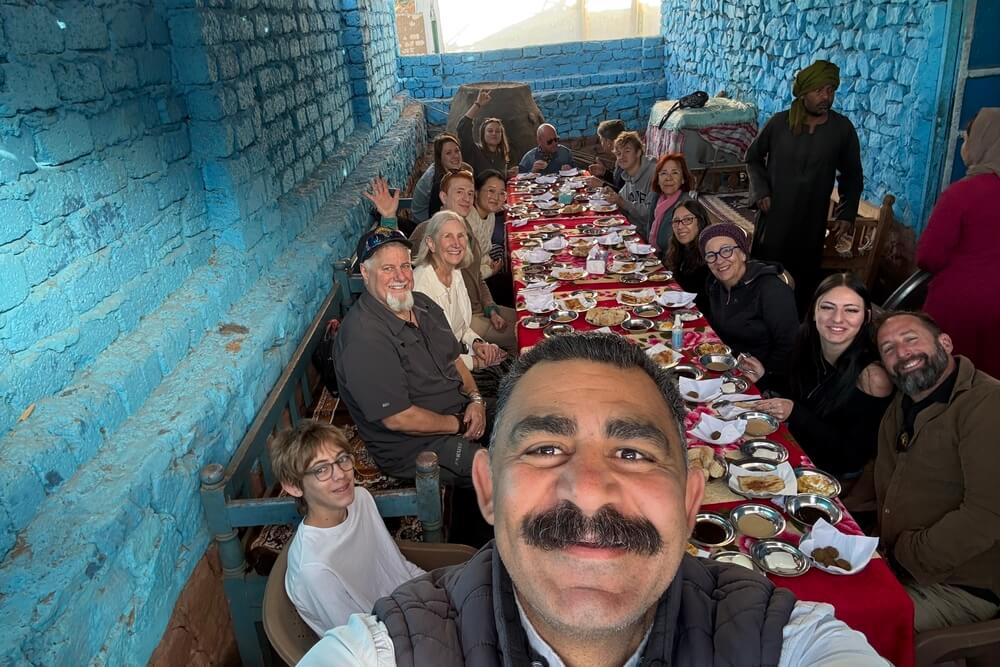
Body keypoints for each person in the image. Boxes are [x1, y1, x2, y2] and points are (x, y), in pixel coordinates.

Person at [300, 333, 889, 666]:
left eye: (632, 453)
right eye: (544, 448)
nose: (585, 488)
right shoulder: (390, 651)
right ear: (487, 489)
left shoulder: (781, 640)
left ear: (691, 502)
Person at [873, 311, 1000, 632]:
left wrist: (902, 555)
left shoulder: (988, 404)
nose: (903, 353)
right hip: (895, 563)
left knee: (840, 628)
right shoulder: (905, 401)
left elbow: (986, 516)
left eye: (911, 339)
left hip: (959, 587)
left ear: (945, 342)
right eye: (888, 349)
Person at [332, 226, 487, 484]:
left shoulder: (422, 303)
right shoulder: (363, 338)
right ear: (365, 273)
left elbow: (454, 360)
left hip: (460, 410)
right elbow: (399, 418)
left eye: (405, 266)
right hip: (417, 446)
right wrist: (459, 423)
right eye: (387, 268)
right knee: (503, 473)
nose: (400, 276)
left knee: (526, 419)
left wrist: (476, 400)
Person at [269, 420, 425, 635]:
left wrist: (435, 591)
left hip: (414, 607)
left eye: (342, 459)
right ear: (293, 486)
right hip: (390, 640)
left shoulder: (360, 499)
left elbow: (397, 566)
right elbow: (362, 639)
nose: (340, 474)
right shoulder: (315, 569)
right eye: (321, 469)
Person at [745, 59, 863, 312]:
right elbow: (752, 158)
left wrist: (846, 213)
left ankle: (797, 327)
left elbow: (852, 175)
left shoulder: (841, 129)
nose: (826, 97)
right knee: (766, 275)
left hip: (811, 222)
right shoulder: (779, 124)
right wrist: (761, 191)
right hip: (775, 218)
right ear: (803, 93)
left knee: (803, 284)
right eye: (819, 91)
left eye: (830, 90)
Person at [751, 273, 894, 478]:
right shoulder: (809, 342)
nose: (837, 318)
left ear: (866, 317)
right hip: (793, 448)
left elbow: (853, 457)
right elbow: (797, 392)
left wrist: (795, 413)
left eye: (851, 310)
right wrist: (763, 377)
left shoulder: (873, 377)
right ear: (813, 312)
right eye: (827, 307)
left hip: (825, 475)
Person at [917, 108, 1000, 379]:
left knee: (942, 379)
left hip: (959, 308)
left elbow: (929, 256)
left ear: (982, 142)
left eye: (967, 138)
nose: (964, 144)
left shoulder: (961, 194)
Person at [410, 169, 517, 354]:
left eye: (469, 193)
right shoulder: (427, 230)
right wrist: (388, 217)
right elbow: (398, 261)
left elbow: (477, 277)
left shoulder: (465, 228)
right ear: (444, 197)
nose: (466, 199)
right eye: (459, 192)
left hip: (474, 310)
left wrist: (490, 308)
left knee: (527, 321)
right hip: (459, 322)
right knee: (521, 334)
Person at [700, 222, 798, 391]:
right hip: (725, 366)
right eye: (711, 255)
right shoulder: (714, 284)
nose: (719, 260)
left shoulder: (771, 290)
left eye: (726, 250)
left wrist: (766, 379)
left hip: (763, 379)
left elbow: (790, 346)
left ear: (743, 254)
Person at [412, 210, 506, 372]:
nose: (456, 243)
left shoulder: (454, 271)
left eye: (460, 236)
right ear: (431, 243)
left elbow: (461, 326)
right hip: (438, 374)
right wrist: (475, 362)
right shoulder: (421, 287)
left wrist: (477, 343)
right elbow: (431, 356)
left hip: (457, 357)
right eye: (447, 236)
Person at [659, 198, 710, 311]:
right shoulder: (679, 250)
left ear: (700, 222)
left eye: (688, 220)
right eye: (676, 221)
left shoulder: (708, 256)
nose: (680, 226)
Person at [456, 89, 517, 179]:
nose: (494, 133)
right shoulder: (474, 151)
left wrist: (507, 174)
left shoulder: (501, 155)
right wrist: (478, 104)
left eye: (497, 131)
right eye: (490, 131)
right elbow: (463, 127)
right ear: (483, 134)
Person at [601, 131, 655, 228]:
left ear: (638, 152)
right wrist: (612, 195)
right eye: (618, 153)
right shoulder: (628, 176)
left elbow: (649, 213)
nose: (622, 157)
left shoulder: (654, 173)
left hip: (647, 233)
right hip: (633, 228)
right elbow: (621, 201)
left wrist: (622, 202)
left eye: (627, 151)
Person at [411, 133, 469, 222]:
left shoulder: (453, 170)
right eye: (448, 153)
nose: (455, 156)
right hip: (424, 223)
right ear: (440, 158)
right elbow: (436, 216)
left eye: (457, 151)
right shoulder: (437, 183)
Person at [644, 152, 696, 251]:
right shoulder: (656, 198)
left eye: (675, 173)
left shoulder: (686, 207)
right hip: (654, 255)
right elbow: (648, 230)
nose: (668, 178)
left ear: (683, 179)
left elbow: (685, 251)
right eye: (664, 173)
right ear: (658, 179)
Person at [465, 169, 506, 280]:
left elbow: (484, 252)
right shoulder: (468, 222)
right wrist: (491, 271)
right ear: (476, 192)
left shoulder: (490, 214)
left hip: (484, 265)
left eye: (501, 193)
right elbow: (465, 272)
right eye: (491, 191)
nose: (496, 198)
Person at [588, 118, 626, 189]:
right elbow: (619, 183)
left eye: (601, 140)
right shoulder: (620, 159)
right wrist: (605, 173)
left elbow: (625, 193)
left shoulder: (626, 161)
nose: (601, 144)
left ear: (608, 142)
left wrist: (602, 185)